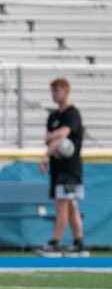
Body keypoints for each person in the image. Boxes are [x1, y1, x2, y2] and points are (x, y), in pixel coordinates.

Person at [40, 77, 85, 254]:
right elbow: (48, 137)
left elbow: (61, 136)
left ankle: (56, 242)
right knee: (71, 204)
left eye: (57, 91)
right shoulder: (53, 116)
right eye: (52, 91)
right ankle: (78, 241)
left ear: (66, 91)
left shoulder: (72, 113)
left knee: (62, 204)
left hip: (70, 168)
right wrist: (55, 137)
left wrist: (46, 155)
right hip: (57, 167)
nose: (54, 94)